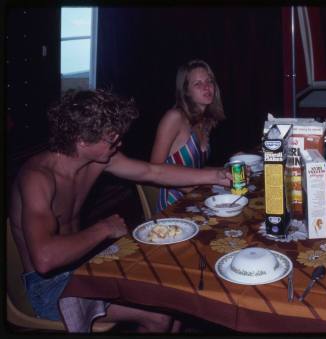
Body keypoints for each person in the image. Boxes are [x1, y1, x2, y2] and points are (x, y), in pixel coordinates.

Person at [8, 89, 231, 332]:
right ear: (82, 141)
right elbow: (44, 259)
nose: (119, 143)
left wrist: (216, 176)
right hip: (48, 287)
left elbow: (152, 172)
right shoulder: (37, 178)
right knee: (159, 317)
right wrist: (103, 229)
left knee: (174, 294)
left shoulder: (98, 159)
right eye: (111, 139)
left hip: (84, 265)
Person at [150, 59, 225, 211]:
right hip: (174, 206)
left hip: (196, 199)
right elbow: (154, 169)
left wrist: (227, 170)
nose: (206, 87)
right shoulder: (174, 117)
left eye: (209, 81)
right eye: (198, 84)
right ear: (186, 91)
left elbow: (195, 168)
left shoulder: (205, 122)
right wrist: (202, 191)